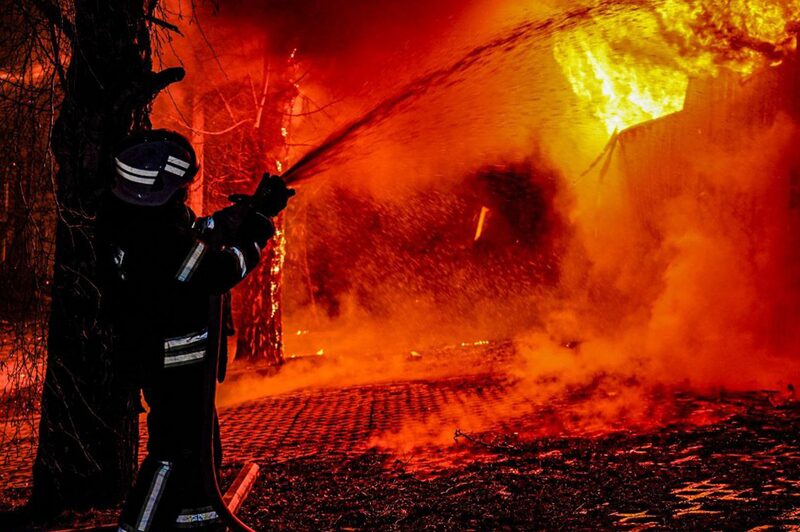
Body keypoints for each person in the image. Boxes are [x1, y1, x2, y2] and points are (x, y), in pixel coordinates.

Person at [99, 129, 293, 531]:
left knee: (200, 452)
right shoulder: (156, 237)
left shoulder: (135, 220)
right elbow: (218, 270)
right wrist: (257, 230)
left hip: (166, 360)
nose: (185, 197)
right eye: (181, 190)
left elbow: (198, 233)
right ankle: (136, 528)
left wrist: (242, 215)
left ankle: (197, 523)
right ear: (157, 189)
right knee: (172, 455)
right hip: (173, 366)